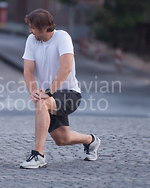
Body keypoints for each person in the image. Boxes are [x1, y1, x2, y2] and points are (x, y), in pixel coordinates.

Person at [20, 9, 100, 169]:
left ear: (43, 29)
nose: (30, 30)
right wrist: (34, 91)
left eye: (33, 28)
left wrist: (48, 92)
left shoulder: (62, 37)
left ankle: (38, 155)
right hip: (50, 96)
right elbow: (28, 71)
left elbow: (66, 67)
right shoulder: (31, 40)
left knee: (42, 104)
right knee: (62, 139)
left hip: (70, 94)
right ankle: (91, 141)